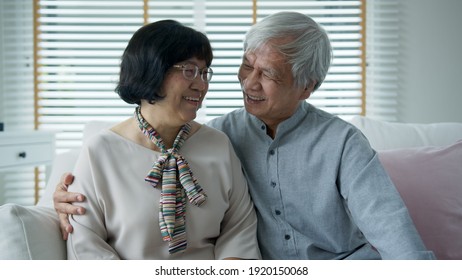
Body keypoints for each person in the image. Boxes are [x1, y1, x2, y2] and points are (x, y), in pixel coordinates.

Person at [54, 12, 434, 260]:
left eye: (268, 74)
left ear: (307, 87)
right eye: (246, 66)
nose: (249, 83)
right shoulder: (218, 136)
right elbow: (106, 186)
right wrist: (61, 199)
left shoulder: (342, 143)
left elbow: (390, 226)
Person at [62, 19, 260, 260]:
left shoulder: (218, 145)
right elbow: (86, 246)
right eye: (189, 71)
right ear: (152, 71)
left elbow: (239, 230)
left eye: (205, 72)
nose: (202, 85)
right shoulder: (100, 152)